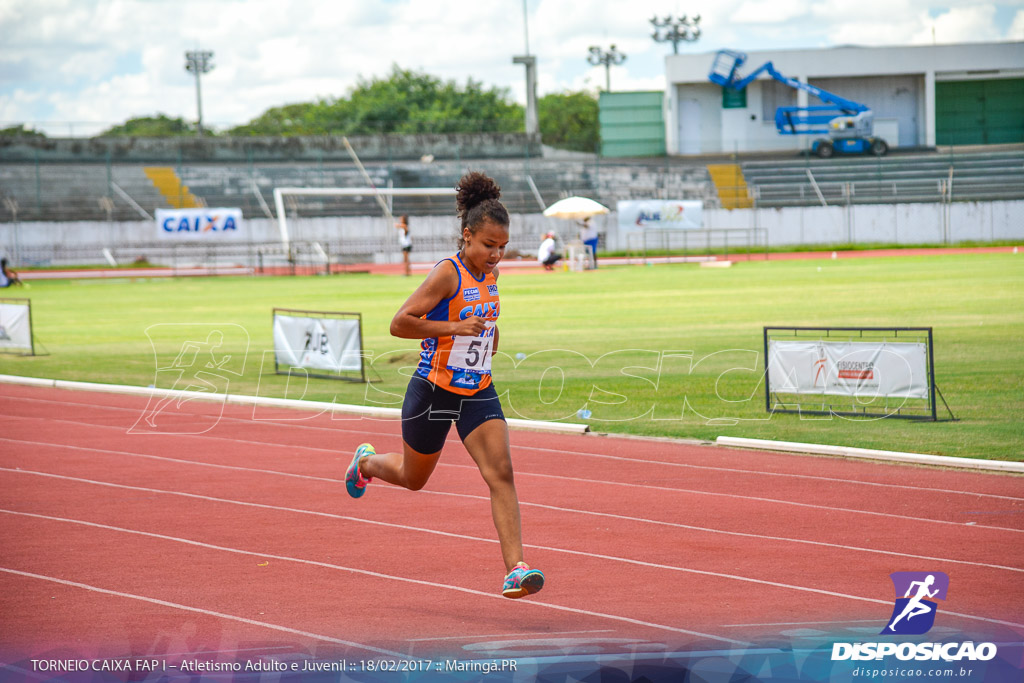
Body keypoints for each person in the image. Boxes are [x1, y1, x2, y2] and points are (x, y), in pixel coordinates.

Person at [346, 171, 545, 600]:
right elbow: (400, 324)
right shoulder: (446, 273)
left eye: (503, 247)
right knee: (413, 478)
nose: (496, 255)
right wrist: (455, 326)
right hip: (434, 391)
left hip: (477, 390)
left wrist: (490, 340)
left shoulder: (490, 274)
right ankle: (366, 464)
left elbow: (486, 319)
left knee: (502, 472)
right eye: (489, 246)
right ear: (467, 236)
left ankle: (516, 569)